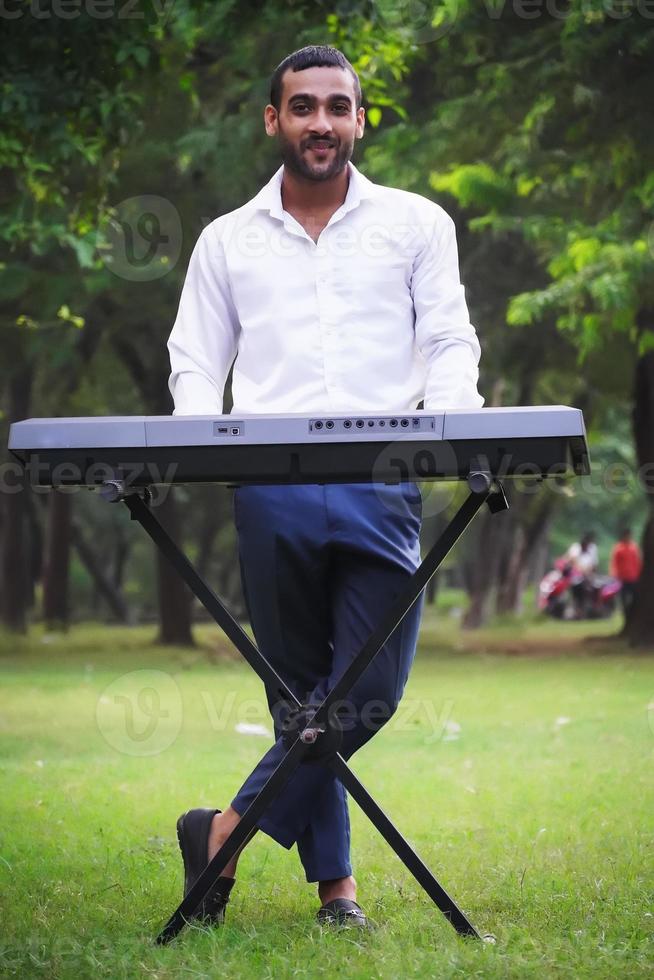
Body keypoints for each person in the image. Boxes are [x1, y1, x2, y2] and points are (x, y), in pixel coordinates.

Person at [167, 45, 483, 929]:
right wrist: (202, 446)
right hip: (268, 485)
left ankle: (219, 834)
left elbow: (451, 341)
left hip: (385, 481)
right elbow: (197, 363)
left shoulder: (418, 224)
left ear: (359, 120)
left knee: (365, 693)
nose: (320, 122)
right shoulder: (224, 240)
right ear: (274, 119)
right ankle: (337, 893)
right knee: (304, 693)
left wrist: (456, 426)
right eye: (302, 107)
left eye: (337, 107)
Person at [565, 532, 599, 617]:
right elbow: (571, 561)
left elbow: (592, 567)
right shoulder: (576, 551)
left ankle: (588, 610)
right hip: (575, 579)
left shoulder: (590, 553)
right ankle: (575, 610)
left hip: (586, 578)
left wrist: (587, 572)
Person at [610, 528, 642, 615]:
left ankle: (634, 612)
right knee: (623, 597)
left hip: (634, 576)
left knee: (635, 596)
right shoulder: (618, 548)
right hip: (622, 577)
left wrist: (639, 573)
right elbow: (614, 563)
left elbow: (638, 562)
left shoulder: (634, 547)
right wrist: (614, 574)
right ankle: (625, 612)